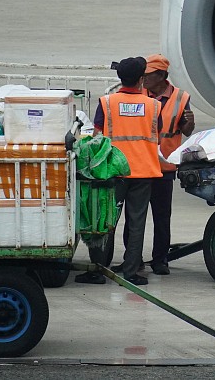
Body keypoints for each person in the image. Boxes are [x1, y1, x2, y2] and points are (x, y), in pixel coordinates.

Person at [75, 56, 162, 286]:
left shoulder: (107, 103)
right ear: (142, 79)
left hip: (111, 172)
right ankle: (132, 272)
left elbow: (96, 137)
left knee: (103, 220)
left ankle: (98, 270)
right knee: (137, 223)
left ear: (119, 77)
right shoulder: (153, 105)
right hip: (143, 171)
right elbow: (158, 133)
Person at [121, 54, 194, 275]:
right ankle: (133, 259)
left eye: (148, 75)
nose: (143, 78)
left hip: (164, 168)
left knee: (161, 218)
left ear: (162, 76)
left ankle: (160, 260)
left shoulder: (181, 98)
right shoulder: (138, 94)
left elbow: (186, 130)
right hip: (140, 166)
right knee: (134, 217)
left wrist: (189, 124)